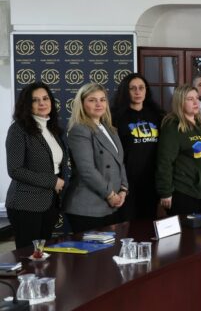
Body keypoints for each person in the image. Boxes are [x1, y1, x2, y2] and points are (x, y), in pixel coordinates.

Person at [5, 83, 67, 248]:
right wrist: (53, 182)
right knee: (28, 255)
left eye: (45, 98)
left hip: (50, 202)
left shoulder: (52, 129)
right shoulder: (18, 129)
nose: (42, 103)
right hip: (25, 204)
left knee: (43, 253)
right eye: (35, 100)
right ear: (27, 104)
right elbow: (15, 170)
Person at [62, 83, 128, 233]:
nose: (99, 104)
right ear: (82, 104)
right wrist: (110, 195)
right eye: (92, 100)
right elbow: (87, 170)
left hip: (111, 204)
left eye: (102, 100)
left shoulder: (110, 129)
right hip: (87, 207)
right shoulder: (79, 129)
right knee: (92, 249)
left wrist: (123, 189)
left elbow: (120, 162)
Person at [155, 85, 201, 216]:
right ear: (180, 102)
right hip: (185, 192)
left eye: (197, 98)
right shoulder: (173, 126)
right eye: (190, 99)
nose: (195, 102)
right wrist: (165, 192)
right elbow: (165, 161)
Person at [111, 73, 165, 221]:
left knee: (148, 224)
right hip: (126, 183)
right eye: (132, 88)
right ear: (125, 91)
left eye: (141, 88)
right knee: (126, 225)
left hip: (151, 181)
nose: (137, 92)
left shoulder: (157, 115)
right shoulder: (115, 117)